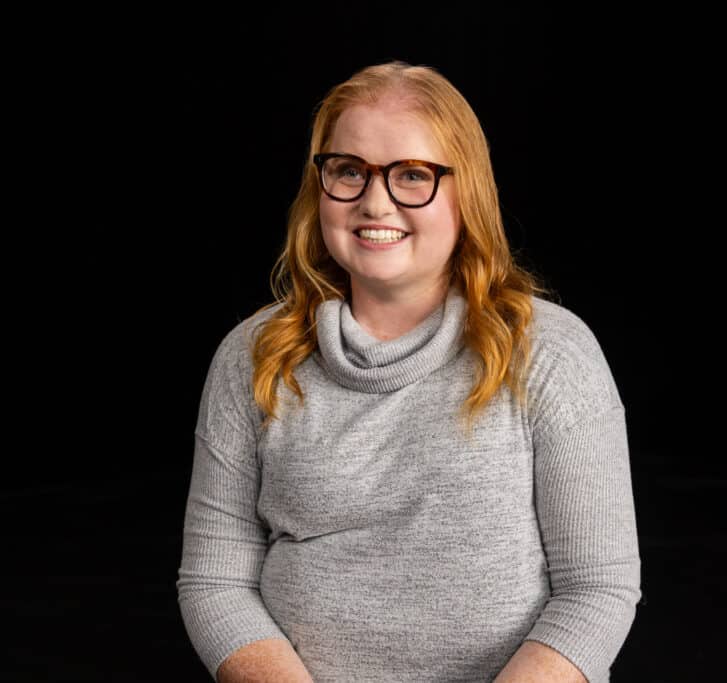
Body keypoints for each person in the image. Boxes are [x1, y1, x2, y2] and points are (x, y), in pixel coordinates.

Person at [176, 60, 642, 683]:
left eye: (413, 175)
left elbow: (597, 592)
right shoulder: (253, 356)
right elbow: (215, 581)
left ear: (466, 190)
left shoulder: (550, 352)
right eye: (348, 170)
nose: (375, 201)